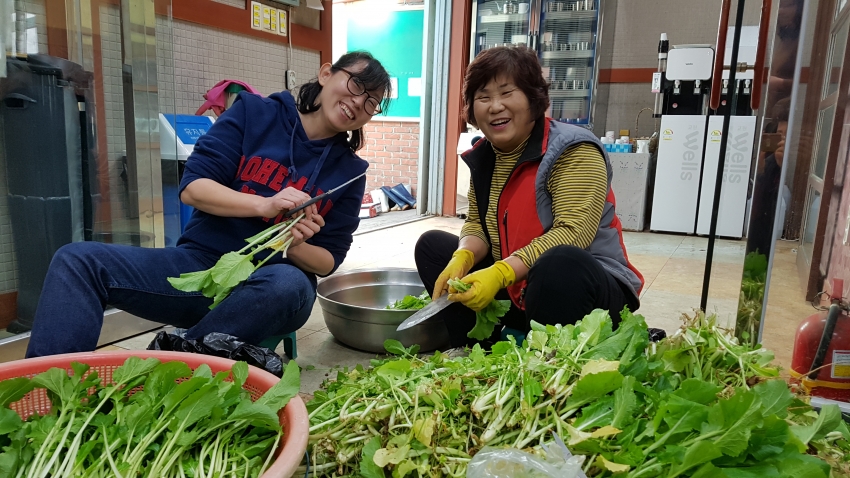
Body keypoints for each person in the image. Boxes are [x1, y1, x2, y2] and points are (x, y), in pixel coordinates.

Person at [25, 51, 392, 358]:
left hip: (271, 290)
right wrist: (263, 206)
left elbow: (328, 261)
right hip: (198, 268)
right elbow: (194, 189)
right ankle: (48, 399)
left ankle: (170, 367)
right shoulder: (254, 113)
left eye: (371, 101)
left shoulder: (350, 173)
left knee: (290, 282)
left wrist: (293, 244)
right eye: (356, 85)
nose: (358, 102)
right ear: (326, 74)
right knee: (78, 261)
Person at [415, 46, 643, 347]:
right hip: (521, 287)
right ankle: (478, 350)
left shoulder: (574, 150)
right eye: (483, 97)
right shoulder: (486, 156)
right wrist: (463, 256)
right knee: (432, 246)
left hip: (584, 289)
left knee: (558, 263)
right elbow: (478, 224)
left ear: (533, 98)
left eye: (507, 93)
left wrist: (501, 272)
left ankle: (547, 359)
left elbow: (574, 233)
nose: (495, 106)